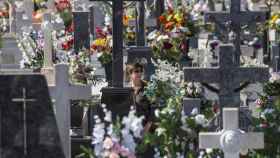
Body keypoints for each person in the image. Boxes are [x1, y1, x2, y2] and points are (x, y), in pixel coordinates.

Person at [126, 63, 153, 131]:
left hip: (146, 126)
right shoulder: (126, 89)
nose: (139, 73)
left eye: (141, 71)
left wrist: (147, 126)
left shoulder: (148, 87)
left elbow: (153, 107)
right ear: (130, 74)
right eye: (136, 71)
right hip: (130, 126)